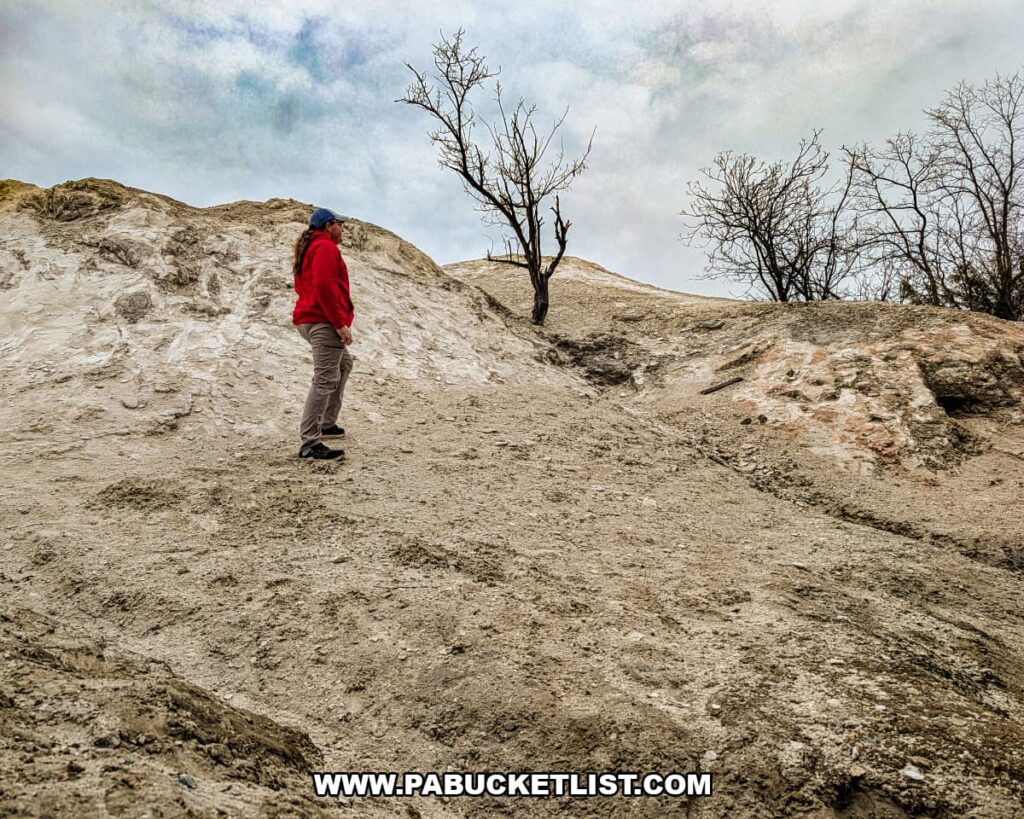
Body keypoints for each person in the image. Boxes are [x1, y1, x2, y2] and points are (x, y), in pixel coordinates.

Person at [292, 207, 354, 460]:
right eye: (340, 224)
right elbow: (324, 286)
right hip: (323, 321)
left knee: (344, 364)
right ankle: (310, 443)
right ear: (329, 226)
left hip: (310, 320)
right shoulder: (325, 247)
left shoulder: (309, 249)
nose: (343, 228)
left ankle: (327, 423)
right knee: (325, 379)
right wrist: (339, 323)